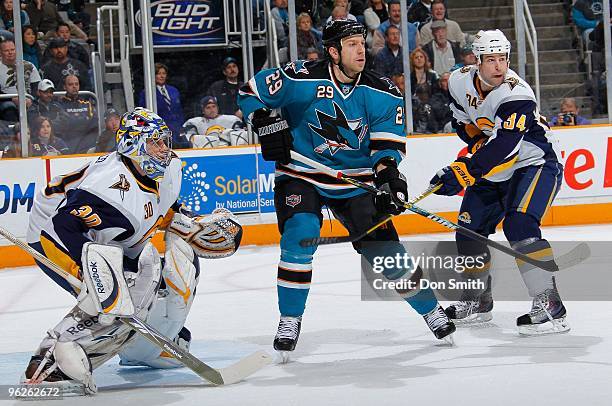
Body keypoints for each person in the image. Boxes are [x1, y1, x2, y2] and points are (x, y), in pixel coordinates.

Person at [237, 19, 455, 358]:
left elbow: (385, 150)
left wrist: (389, 181)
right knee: (300, 233)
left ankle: (430, 310)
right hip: (302, 173)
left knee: (384, 249)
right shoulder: (299, 77)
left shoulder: (382, 90)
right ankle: (289, 318)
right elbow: (249, 91)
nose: (360, 51)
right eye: (352, 44)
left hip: (355, 179)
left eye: (362, 43)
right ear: (333, 51)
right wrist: (262, 120)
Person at [23, 107, 243, 393]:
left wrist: (190, 224)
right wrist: (90, 274)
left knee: (147, 274)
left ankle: (141, 342)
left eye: (165, 140)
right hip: (52, 232)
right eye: (155, 142)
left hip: (111, 239)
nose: (164, 149)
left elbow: (163, 209)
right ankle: (49, 364)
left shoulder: (170, 168)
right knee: (109, 301)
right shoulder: (108, 188)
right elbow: (63, 223)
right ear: (132, 144)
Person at [429, 29, 568, 335]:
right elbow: (461, 121)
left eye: (502, 59)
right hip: (495, 168)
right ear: (475, 61)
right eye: (490, 59)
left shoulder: (517, 94)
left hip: (535, 162)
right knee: (467, 229)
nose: (498, 67)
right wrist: (475, 142)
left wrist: (465, 169)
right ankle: (478, 299)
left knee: (519, 224)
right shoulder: (458, 80)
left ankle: (550, 304)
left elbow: (506, 146)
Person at [138, 63, 187, 149]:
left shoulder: (173, 90)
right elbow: (143, 115)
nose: (162, 76)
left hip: (177, 130)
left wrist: (181, 126)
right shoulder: (147, 93)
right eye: (158, 73)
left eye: (164, 73)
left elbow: (179, 111)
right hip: (160, 133)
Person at [0, 39, 41, 121]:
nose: (10, 52)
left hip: (28, 99)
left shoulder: (29, 66)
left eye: (12, 49)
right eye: (6, 50)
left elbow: (37, 87)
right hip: (6, 101)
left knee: (34, 109)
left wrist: (30, 99)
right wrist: (12, 99)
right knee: (9, 108)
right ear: (0, 52)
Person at [57, 74, 97, 153]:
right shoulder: (59, 104)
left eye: (76, 84)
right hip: (67, 144)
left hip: (86, 145)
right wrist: (83, 120)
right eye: (70, 84)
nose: (74, 86)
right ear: (65, 87)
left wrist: (73, 121)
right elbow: (64, 125)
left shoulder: (87, 104)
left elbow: (94, 124)